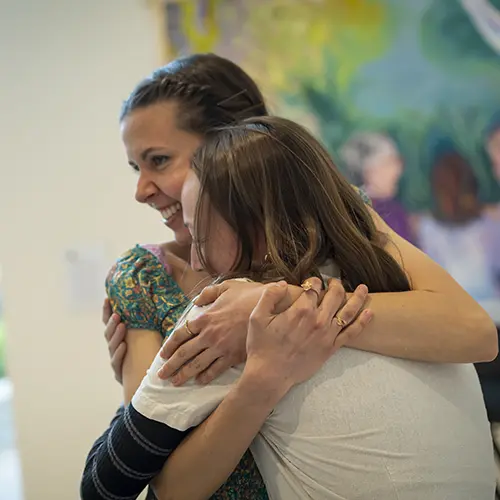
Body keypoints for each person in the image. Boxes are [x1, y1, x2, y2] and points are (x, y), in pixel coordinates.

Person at [82, 54, 497, 499]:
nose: (141, 189)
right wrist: (267, 368)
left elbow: (473, 331)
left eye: (159, 160)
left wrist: (285, 310)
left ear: (235, 151)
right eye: (135, 167)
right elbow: (147, 470)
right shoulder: (146, 276)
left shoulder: (340, 219)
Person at [339, 131, 418, 246]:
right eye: (390, 162)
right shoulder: (384, 212)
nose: (397, 170)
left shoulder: (347, 209)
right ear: (369, 170)